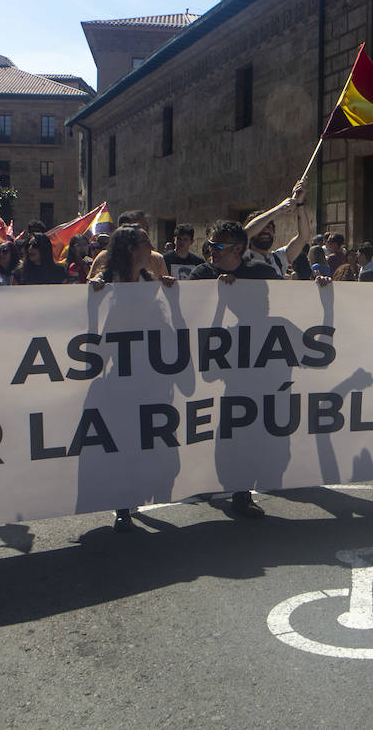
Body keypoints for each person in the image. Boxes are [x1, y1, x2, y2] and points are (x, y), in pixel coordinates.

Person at [189, 220, 286, 518]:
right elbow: (187, 311)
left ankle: (242, 493)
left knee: (248, 432)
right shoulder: (202, 275)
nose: (211, 252)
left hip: (252, 367)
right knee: (210, 428)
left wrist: (318, 290)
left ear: (239, 249)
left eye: (218, 247)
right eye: (209, 246)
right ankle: (207, 481)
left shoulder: (260, 273)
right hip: (212, 366)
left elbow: (291, 304)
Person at [91, 225, 176, 532]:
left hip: (150, 376)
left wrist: (168, 290)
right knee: (124, 441)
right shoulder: (106, 281)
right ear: (130, 248)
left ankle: (133, 494)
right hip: (120, 377)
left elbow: (166, 321)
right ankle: (122, 505)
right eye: (145, 243)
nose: (152, 249)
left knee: (143, 441)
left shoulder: (148, 280)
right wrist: (96, 289)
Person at [244, 181, 311, 278]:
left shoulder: (278, 258)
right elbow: (246, 234)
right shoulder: (242, 256)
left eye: (269, 227)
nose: (266, 231)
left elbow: (303, 238)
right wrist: (278, 209)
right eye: (261, 228)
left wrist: (299, 204)